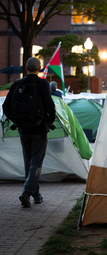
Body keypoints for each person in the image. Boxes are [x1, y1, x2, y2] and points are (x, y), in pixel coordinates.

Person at [2, 57, 56, 207]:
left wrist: (16, 120)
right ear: (39, 69)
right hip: (39, 129)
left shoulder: (17, 84)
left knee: (29, 162)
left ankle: (36, 194)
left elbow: (6, 107)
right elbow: (49, 104)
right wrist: (50, 120)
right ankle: (27, 192)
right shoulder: (42, 83)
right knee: (36, 163)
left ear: (26, 68)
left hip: (23, 129)